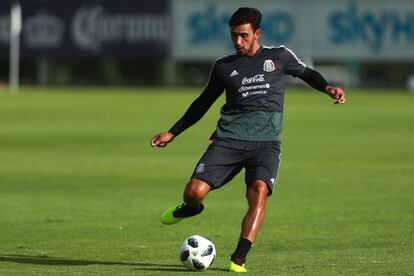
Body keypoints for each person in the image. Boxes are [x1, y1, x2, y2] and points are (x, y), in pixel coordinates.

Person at [150, 7, 345, 273]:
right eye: (234, 36)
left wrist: (327, 87)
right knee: (193, 192)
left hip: (266, 144)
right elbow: (202, 103)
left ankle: (239, 258)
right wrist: (172, 132)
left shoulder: (279, 56)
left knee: (258, 192)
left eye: (243, 35)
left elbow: (307, 73)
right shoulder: (224, 66)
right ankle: (191, 208)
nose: (238, 41)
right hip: (228, 140)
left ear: (257, 33)